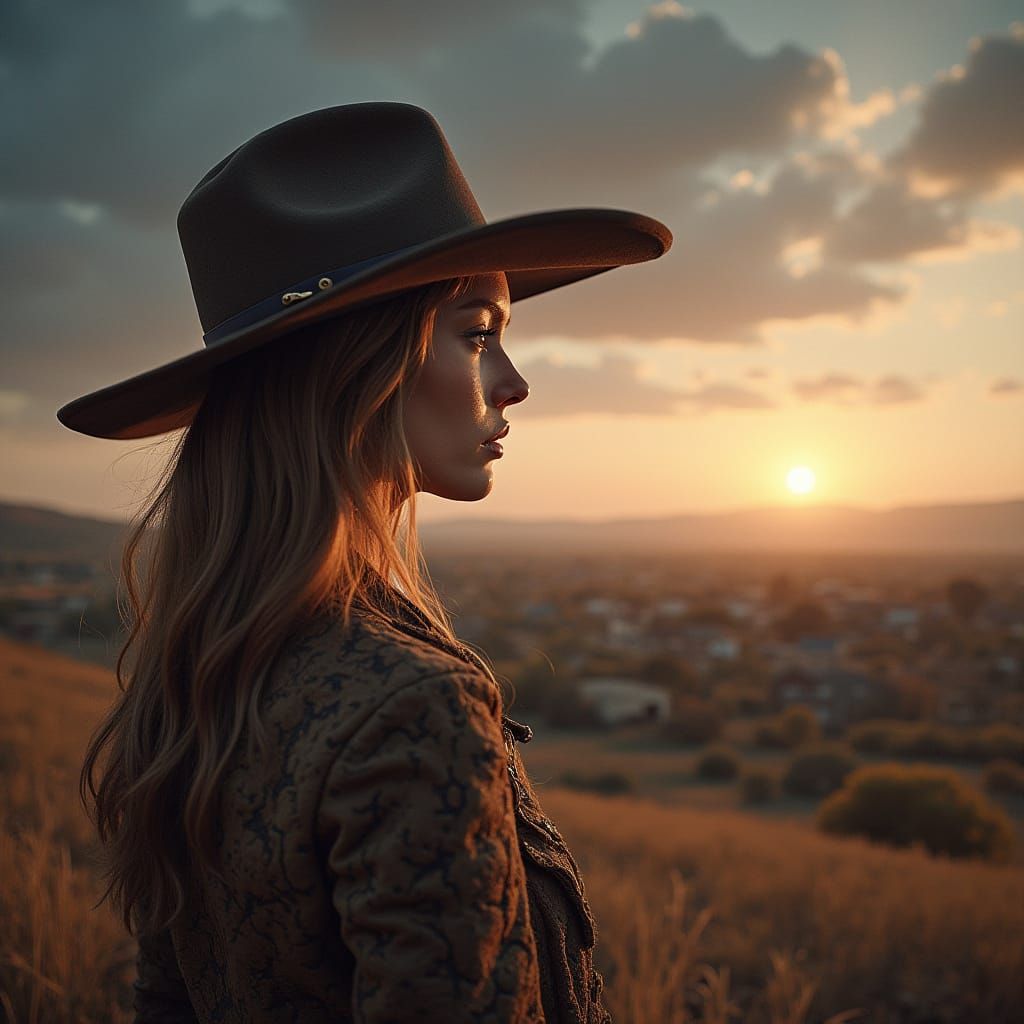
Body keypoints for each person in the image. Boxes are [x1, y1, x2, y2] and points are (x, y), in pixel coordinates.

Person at [63, 102, 671, 1023]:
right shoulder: (411, 705)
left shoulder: (196, 685)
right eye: (477, 331)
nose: (513, 381)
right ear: (364, 365)